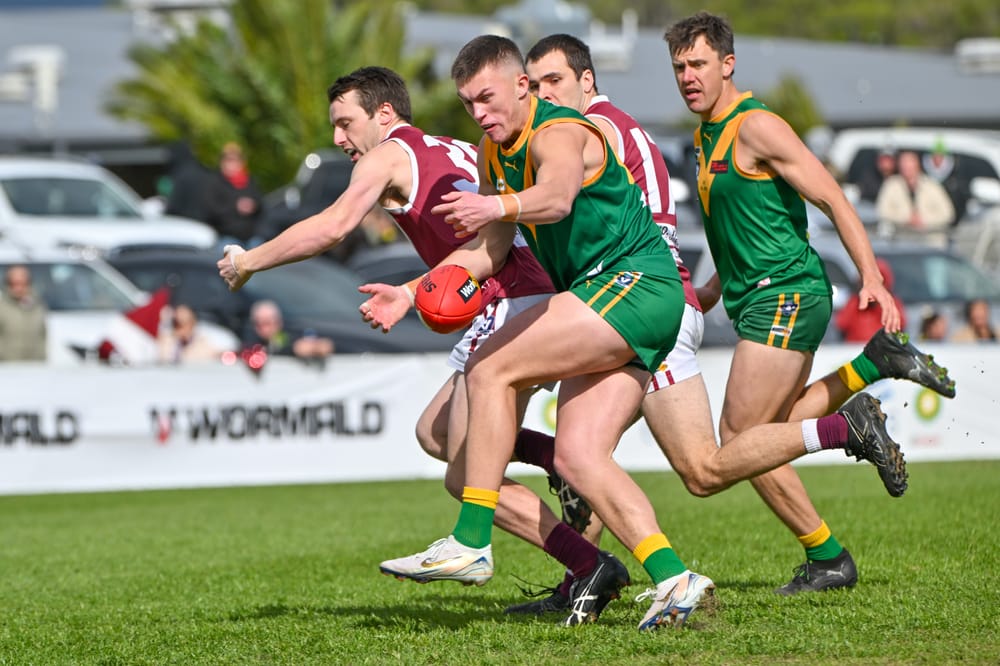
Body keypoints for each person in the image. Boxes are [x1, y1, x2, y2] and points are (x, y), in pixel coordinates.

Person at [368, 35, 939, 630]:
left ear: (524, 86)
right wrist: (412, 290)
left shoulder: (562, 131)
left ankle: (472, 540)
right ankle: (677, 580)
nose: (480, 114)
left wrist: (498, 207)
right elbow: (488, 249)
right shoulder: (494, 151)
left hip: (635, 286)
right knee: (585, 456)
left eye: (487, 98)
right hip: (626, 299)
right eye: (468, 105)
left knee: (491, 367)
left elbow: (557, 197)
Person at [216, 68, 625, 622]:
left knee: (464, 476)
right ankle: (557, 465)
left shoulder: (386, 154)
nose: (339, 139)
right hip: (520, 294)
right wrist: (414, 292)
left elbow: (334, 226)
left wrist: (249, 261)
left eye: (345, 123)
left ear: (385, 115)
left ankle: (588, 562)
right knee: (433, 433)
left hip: (507, 298)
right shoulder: (452, 146)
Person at [660, 11, 957, 597]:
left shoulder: (757, 126)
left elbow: (832, 199)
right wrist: (713, 289)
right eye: (678, 67)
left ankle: (828, 552)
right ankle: (873, 366)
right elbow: (741, 224)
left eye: (697, 64)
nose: (687, 76)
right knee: (769, 433)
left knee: (738, 441)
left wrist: (872, 276)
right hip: (759, 297)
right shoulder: (705, 135)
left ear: (728, 64)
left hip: (787, 293)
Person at [876, 150, 955, 247]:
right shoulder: (891, 185)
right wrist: (906, 218)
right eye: (904, 163)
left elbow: (948, 213)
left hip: (931, 243)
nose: (907, 167)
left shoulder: (932, 186)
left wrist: (923, 220)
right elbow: (882, 211)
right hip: (901, 242)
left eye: (910, 163)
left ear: (917, 164)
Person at [204, 141, 265, 247]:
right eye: (228, 160)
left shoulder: (249, 181)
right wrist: (235, 207)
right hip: (226, 236)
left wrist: (253, 206)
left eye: (235, 160)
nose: (232, 164)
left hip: (251, 236)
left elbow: (261, 204)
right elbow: (211, 210)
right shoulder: (215, 182)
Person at [835, 258, 907, 342]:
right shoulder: (854, 302)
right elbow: (841, 324)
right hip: (856, 348)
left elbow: (900, 324)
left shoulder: (891, 303)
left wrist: (879, 303)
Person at [244, 300, 334, 361]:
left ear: (279, 322)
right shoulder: (249, 338)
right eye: (259, 323)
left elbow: (293, 345)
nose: (264, 328)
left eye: (268, 323)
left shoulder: (285, 335)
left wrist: (312, 347)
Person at [0, 264, 47, 362]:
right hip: (7, 367)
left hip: (34, 366)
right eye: (13, 283)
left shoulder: (38, 306)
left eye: (23, 283)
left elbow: (43, 335)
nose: (18, 288)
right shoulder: (2, 307)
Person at [157, 303, 227, 364]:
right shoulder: (166, 341)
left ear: (192, 323)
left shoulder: (201, 343)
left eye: (185, 324)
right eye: (177, 324)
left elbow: (212, 356)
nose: (182, 330)